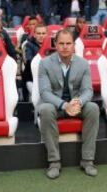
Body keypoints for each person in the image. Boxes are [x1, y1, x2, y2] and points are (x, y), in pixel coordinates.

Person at [37, 29, 100, 179]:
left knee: (93, 107)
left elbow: (88, 90)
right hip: (56, 106)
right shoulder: (45, 64)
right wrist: (65, 105)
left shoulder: (83, 64)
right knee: (44, 109)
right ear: (55, 45)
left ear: (73, 45)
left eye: (68, 43)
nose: (65, 47)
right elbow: (45, 93)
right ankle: (54, 162)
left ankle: (87, 160)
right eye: (61, 43)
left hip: (76, 105)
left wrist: (78, 101)